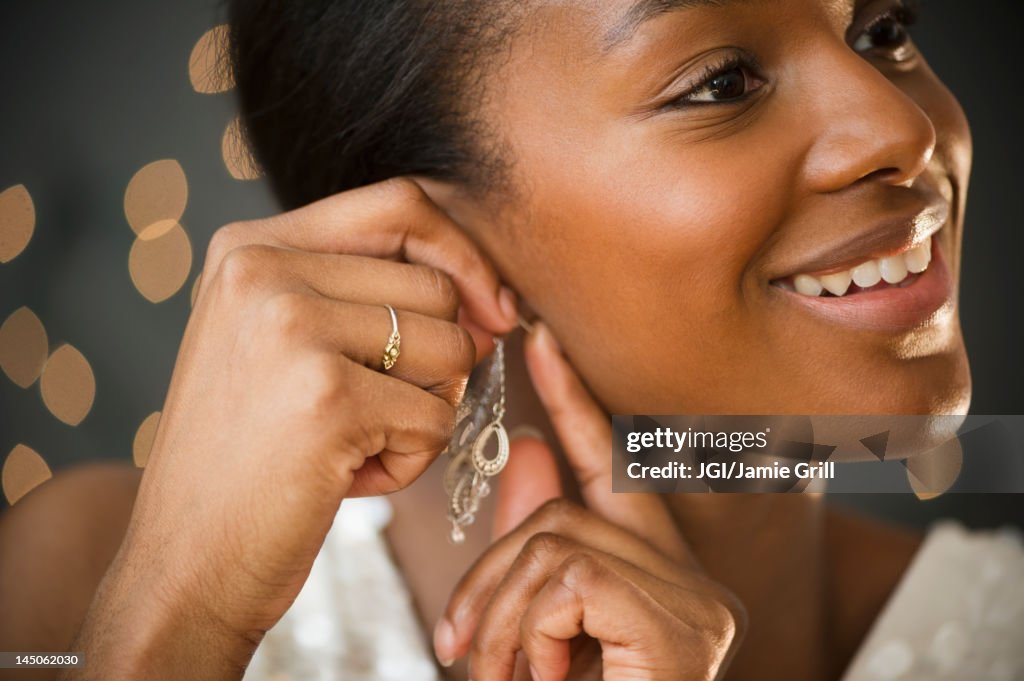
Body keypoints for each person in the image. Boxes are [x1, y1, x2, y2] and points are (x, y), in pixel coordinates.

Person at [5, 0, 1019, 679]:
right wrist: (180, 629)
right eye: (721, 82)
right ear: (423, 236)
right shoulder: (86, 581)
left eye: (880, 27)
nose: (901, 127)